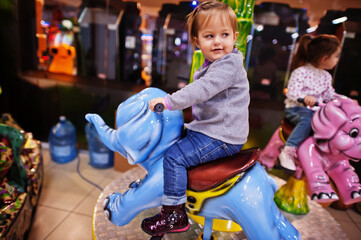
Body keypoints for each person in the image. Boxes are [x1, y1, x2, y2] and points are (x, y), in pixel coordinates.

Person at [141, 1, 250, 236]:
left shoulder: (228, 65)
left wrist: (169, 102)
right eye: (210, 36)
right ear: (197, 41)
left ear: (235, 36)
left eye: (224, 34)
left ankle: (174, 213)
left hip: (222, 135)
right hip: (214, 129)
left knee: (174, 157)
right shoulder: (213, 63)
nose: (218, 41)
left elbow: (201, 90)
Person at [279, 34, 346, 171]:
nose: (337, 60)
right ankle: (288, 150)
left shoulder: (326, 77)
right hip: (297, 109)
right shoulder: (300, 72)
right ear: (324, 58)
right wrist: (305, 98)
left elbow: (329, 95)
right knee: (308, 120)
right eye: (336, 56)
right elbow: (292, 93)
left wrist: (345, 100)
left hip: (317, 112)